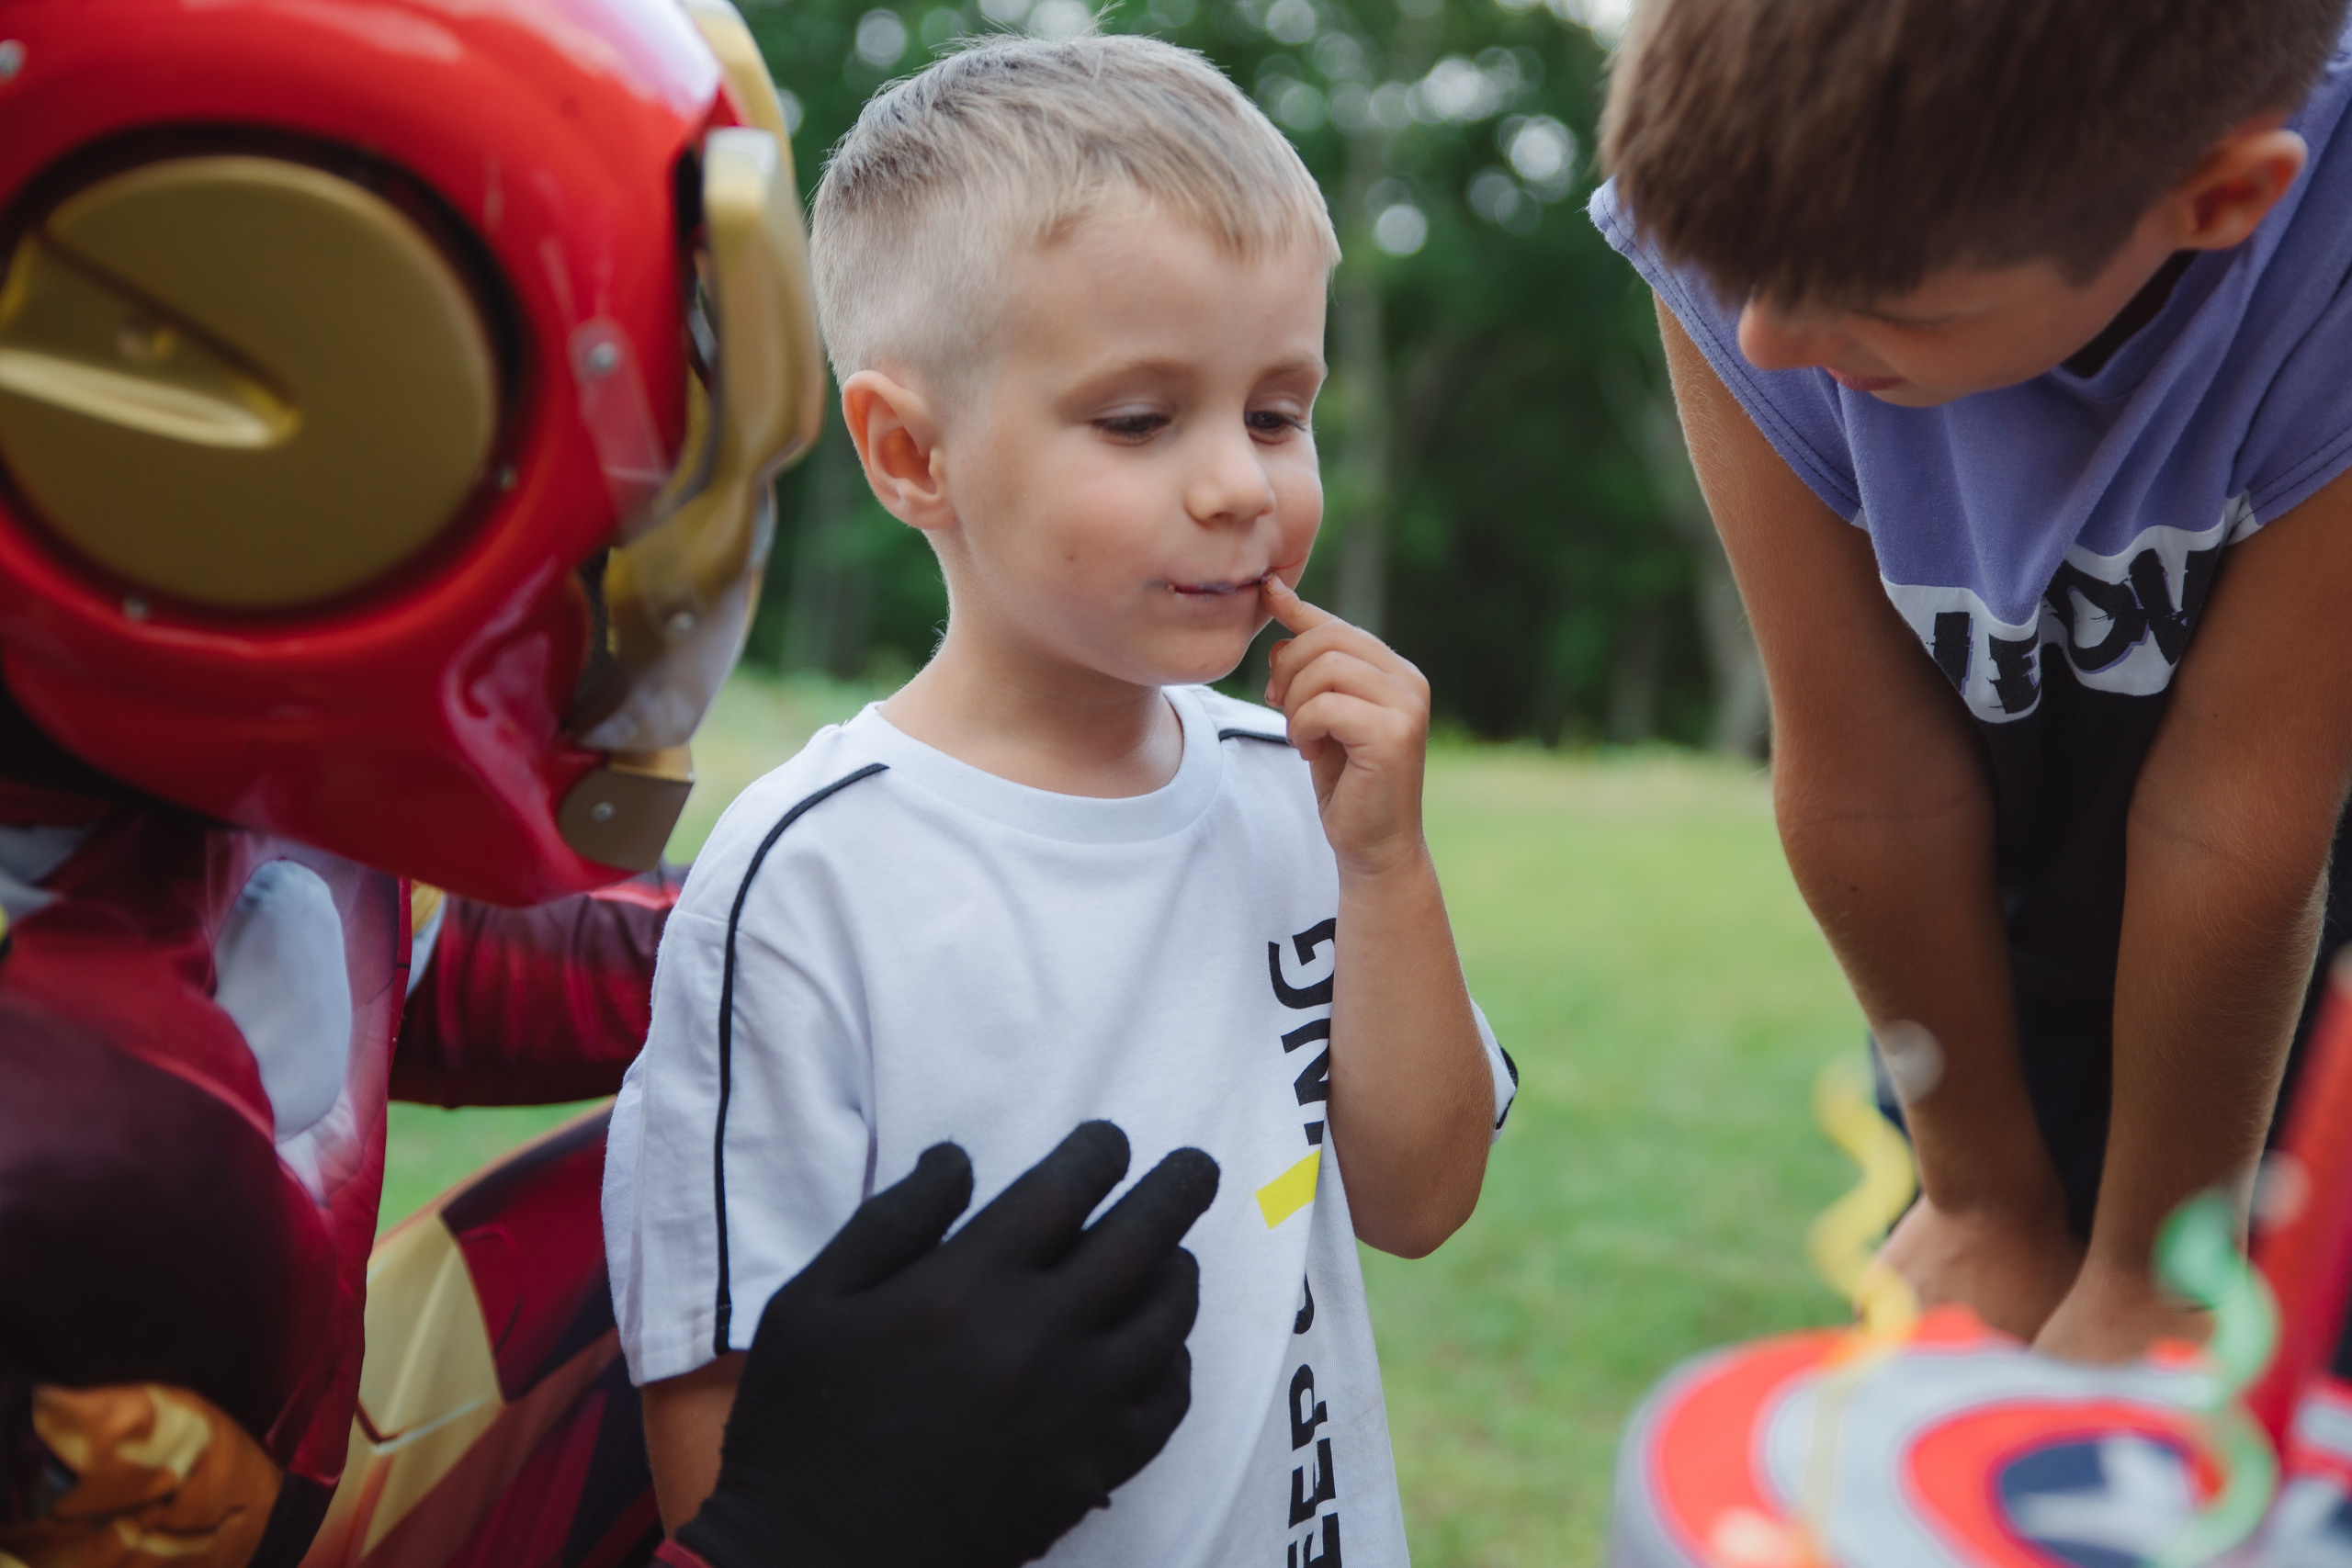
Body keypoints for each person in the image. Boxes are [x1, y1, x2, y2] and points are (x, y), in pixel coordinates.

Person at [0, 2, 1212, 1563]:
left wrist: (810, 941)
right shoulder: (55, 1142)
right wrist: (813, 1532)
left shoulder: (134, 759)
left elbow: (398, 967)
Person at [603, 33, 1520, 1566]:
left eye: (1277, 411)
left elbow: (1419, 1200)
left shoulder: (1286, 792)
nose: (1240, 483)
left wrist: (1387, 872)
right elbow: (717, 1429)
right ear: (912, 455)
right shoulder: (812, 874)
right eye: (1141, 420)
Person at [1589, 0, 2352, 1364]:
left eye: (1893, 306)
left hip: (2297, 967)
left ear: (2219, 197)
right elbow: (1868, 783)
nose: (1763, 339)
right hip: (1976, 950)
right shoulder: (1762, 211)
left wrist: (2159, 1271)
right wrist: (1977, 1192)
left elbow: (2237, 816)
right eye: (1727, 269)